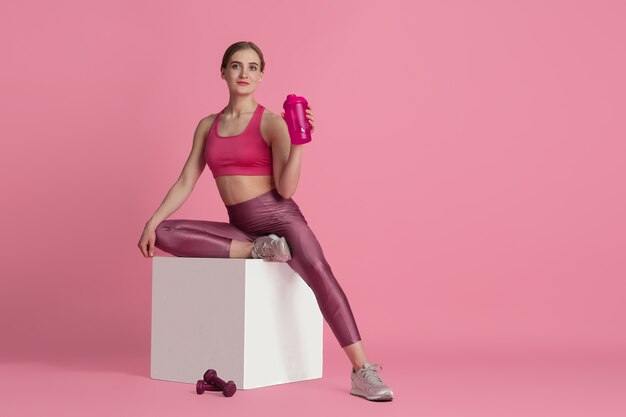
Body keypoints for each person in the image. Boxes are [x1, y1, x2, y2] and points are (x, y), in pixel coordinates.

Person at [137, 41, 394, 401]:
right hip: (242, 228)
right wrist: (152, 221)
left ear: (261, 75)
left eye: (253, 67)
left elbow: (286, 190)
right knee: (165, 232)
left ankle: (361, 370)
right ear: (223, 72)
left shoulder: (273, 122)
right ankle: (256, 250)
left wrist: (300, 142)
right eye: (237, 66)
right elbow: (186, 181)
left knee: (320, 272)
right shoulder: (206, 126)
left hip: (281, 220)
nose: (245, 74)